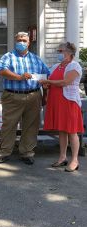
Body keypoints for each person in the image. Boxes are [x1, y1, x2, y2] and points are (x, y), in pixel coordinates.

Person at [0, 31, 50, 165]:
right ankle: (4, 152)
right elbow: (1, 70)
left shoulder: (36, 59)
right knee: (9, 125)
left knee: (31, 125)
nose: (21, 42)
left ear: (29, 42)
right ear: (15, 41)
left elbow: (46, 75)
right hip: (13, 95)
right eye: (19, 40)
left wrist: (45, 95)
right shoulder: (8, 57)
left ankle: (27, 152)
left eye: (24, 40)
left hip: (33, 95)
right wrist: (19, 77)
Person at [39, 42, 84, 172]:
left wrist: (47, 81)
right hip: (56, 101)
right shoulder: (55, 66)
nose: (59, 53)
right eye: (58, 51)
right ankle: (62, 157)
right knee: (62, 131)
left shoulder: (75, 66)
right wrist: (46, 86)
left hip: (69, 102)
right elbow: (51, 81)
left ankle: (74, 160)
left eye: (61, 51)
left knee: (72, 131)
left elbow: (65, 82)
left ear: (69, 53)